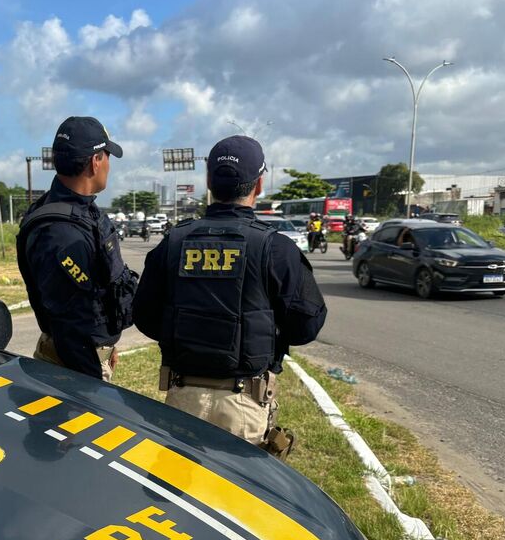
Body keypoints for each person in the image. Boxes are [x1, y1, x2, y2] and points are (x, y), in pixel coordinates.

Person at [133, 135, 328, 458]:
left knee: (174, 500)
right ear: (260, 184)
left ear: (209, 181)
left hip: (182, 399)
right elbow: (307, 324)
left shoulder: (174, 242)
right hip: (244, 405)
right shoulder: (275, 249)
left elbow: (144, 315)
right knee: (233, 504)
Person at [16, 116, 137, 382]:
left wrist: (106, 345)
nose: (109, 165)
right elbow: (72, 323)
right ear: (96, 162)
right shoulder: (62, 233)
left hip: (84, 357)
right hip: (73, 368)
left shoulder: (80, 211)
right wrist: (92, 382)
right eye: (107, 156)